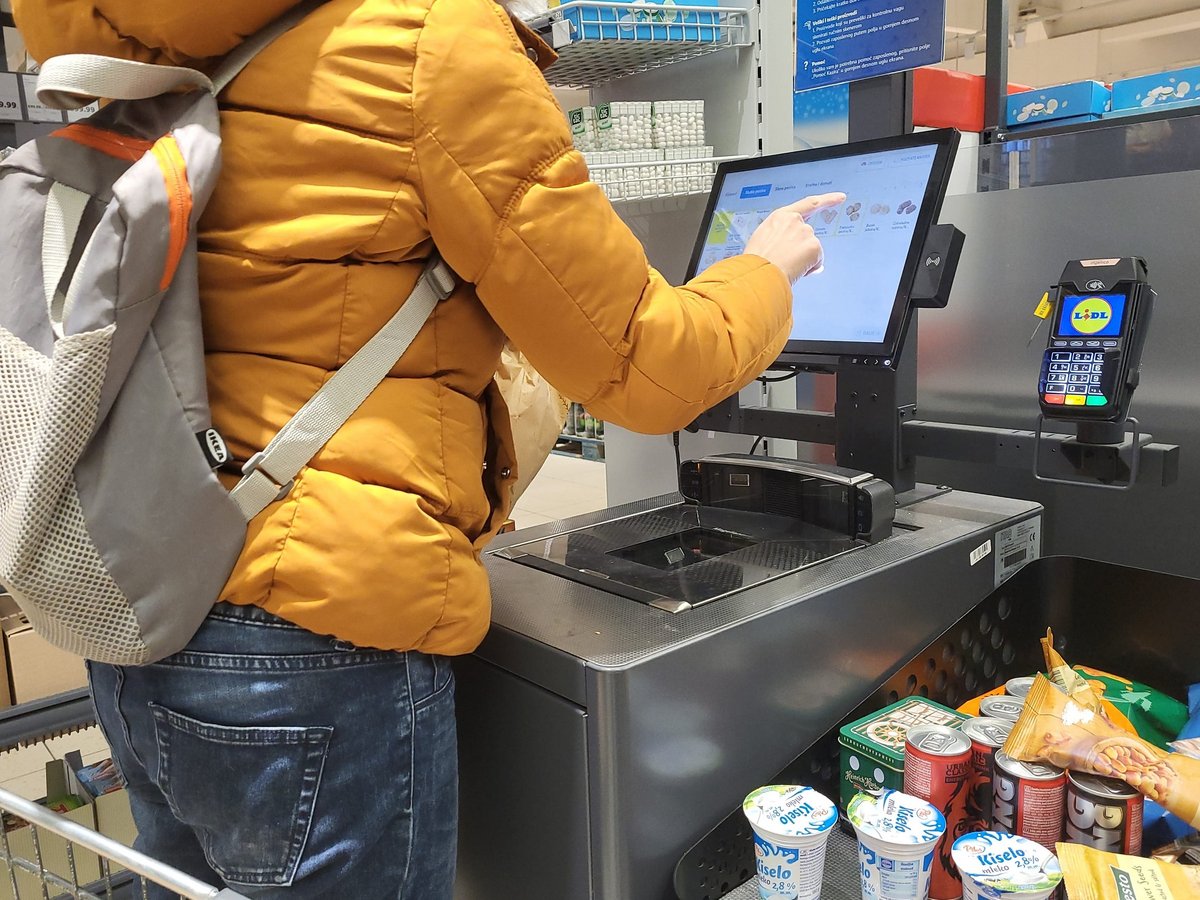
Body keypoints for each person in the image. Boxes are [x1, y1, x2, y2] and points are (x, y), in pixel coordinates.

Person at [13, 0, 844, 896]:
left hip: (149, 608)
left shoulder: (150, 44)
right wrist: (767, 270)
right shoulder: (424, 43)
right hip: (317, 642)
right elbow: (648, 365)